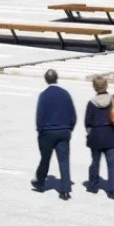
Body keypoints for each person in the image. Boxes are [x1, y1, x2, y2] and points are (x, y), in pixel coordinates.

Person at [32, 70, 75, 199]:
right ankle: (66, 190)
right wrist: (69, 128)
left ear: (46, 80)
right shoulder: (65, 94)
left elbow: (40, 116)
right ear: (57, 78)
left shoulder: (44, 95)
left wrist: (40, 130)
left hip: (48, 132)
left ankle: (40, 183)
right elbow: (73, 115)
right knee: (64, 161)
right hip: (64, 131)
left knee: (45, 159)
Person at [83, 74, 114, 198]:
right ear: (106, 85)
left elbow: (87, 122)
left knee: (95, 162)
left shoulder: (91, 103)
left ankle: (93, 185)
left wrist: (90, 132)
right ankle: (113, 189)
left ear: (94, 87)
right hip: (110, 135)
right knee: (111, 163)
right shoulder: (113, 100)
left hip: (96, 135)